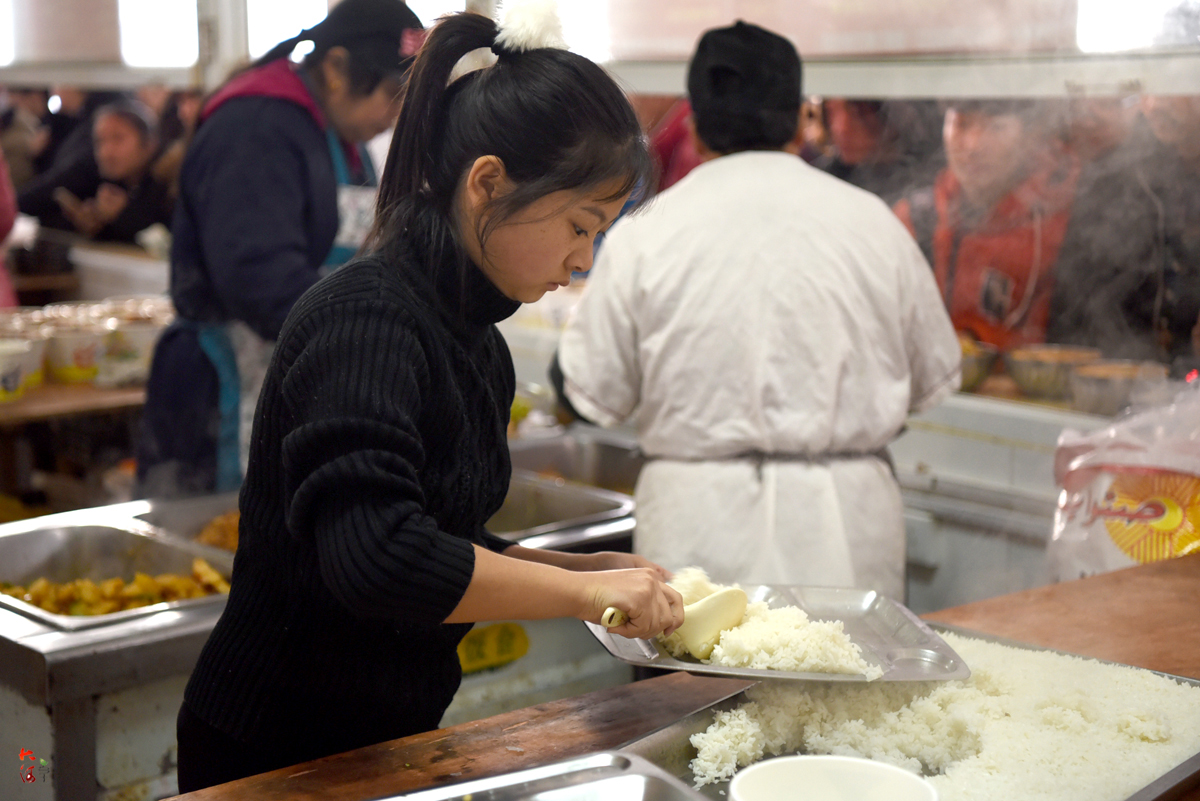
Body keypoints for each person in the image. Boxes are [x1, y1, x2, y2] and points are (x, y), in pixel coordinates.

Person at [174, 5, 684, 792]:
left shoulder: (474, 338)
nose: (582, 263)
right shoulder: (366, 318)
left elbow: (444, 543)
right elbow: (377, 558)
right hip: (275, 748)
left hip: (380, 738)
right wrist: (579, 589)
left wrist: (582, 570)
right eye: (580, 227)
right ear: (487, 184)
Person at [552, 21, 961, 601]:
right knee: (848, 688)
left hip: (698, 539)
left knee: (693, 693)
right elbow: (933, 377)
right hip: (846, 535)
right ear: (799, 118)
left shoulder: (646, 234)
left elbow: (590, 392)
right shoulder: (874, 222)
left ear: (693, 123)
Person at [136, 0, 425, 498]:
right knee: (215, 548)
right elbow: (257, 277)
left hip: (293, 370)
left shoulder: (342, 137)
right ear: (335, 68)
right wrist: (366, 336)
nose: (395, 114)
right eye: (391, 93)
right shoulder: (258, 126)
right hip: (222, 387)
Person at [893, 99, 1079, 351]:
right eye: (961, 124)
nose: (973, 145)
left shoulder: (1066, 221)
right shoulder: (915, 218)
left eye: (995, 128)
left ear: (1030, 136)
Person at [1047, 94, 1200, 367]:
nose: (1154, 104)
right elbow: (1076, 303)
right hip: (1139, 382)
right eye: (1147, 90)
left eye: (1173, 88)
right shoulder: (1117, 173)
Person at [17, 99, 173, 243]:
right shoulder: (99, 181)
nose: (106, 152)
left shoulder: (169, 186)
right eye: (100, 141)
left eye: (118, 138)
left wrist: (123, 216)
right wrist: (90, 224)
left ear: (150, 143)